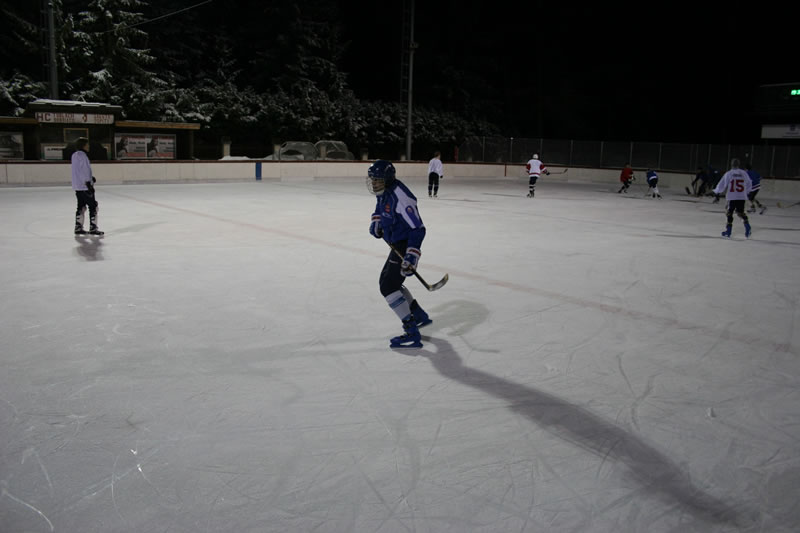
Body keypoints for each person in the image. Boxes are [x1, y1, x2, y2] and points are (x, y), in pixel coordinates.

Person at [367, 159, 431, 348]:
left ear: (387, 179)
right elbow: (380, 205)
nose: (374, 183)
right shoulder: (384, 190)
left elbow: (418, 229)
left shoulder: (402, 197)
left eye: (377, 180)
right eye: (372, 180)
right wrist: (377, 220)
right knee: (390, 283)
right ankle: (417, 314)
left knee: (388, 286)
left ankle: (411, 331)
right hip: (396, 242)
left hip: (405, 244)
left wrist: (412, 255)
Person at [71, 137, 103, 236]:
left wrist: (90, 178)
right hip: (85, 186)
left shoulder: (74, 155)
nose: (88, 146)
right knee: (93, 206)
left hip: (77, 185)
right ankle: (93, 228)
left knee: (81, 206)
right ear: (83, 145)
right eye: (87, 144)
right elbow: (85, 170)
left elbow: (78, 170)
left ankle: (78, 227)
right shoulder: (83, 156)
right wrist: (89, 182)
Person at [713, 158, 752, 238]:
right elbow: (749, 183)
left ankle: (728, 231)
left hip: (732, 196)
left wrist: (716, 191)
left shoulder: (729, 173)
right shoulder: (743, 173)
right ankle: (747, 226)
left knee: (729, 213)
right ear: (739, 164)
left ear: (731, 164)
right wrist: (746, 192)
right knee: (740, 212)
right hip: (741, 196)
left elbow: (722, 184)